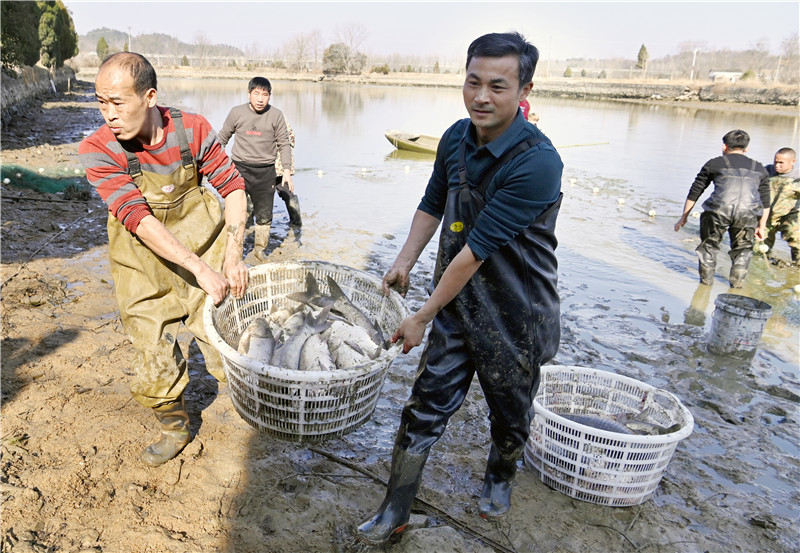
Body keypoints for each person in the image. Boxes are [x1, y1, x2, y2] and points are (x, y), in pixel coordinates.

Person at [357, 32, 563, 544]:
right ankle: (395, 510)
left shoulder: (537, 162)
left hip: (518, 311)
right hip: (457, 302)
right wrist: (404, 261)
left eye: (498, 85)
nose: (481, 97)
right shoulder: (455, 136)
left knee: (510, 411)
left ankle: (500, 476)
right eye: (473, 82)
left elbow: (474, 252)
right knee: (424, 406)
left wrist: (421, 316)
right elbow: (432, 202)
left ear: (524, 90)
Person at [79, 52, 249, 468]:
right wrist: (200, 270)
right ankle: (175, 428)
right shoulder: (98, 149)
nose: (108, 115)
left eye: (118, 103)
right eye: (101, 102)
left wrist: (231, 257)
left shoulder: (192, 129)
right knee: (152, 355)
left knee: (227, 343)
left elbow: (233, 189)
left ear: (150, 96)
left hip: (203, 243)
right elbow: (139, 220)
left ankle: (254, 405)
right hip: (142, 262)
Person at [674, 129, 770, 288]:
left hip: (718, 210)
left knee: (709, 247)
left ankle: (705, 286)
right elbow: (765, 200)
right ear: (746, 149)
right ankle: (736, 287)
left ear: (724, 146)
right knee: (743, 250)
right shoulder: (759, 168)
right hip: (748, 213)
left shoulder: (714, 163)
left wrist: (684, 217)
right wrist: (762, 225)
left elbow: (696, 190)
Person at [218, 77, 298, 261]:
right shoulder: (236, 112)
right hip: (239, 169)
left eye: (265, 95)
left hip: (265, 172)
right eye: (256, 94)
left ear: (269, 96)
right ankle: (234, 250)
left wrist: (287, 171)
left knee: (264, 215)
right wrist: (211, 163)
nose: (260, 99)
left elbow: (284, 144)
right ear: (249, 94)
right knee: (237, 211)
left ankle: (259, 251)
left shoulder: (276, 115)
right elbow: (223, 137)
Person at [762, 147, 799, 264]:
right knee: (759, 251)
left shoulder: (798, 177)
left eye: (781, 163)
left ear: (793, 162)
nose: (777, 165)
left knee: (797, 242)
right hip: (766, 217)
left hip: (789, 216)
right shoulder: (767, 171)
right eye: (775, 162)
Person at [274, 121, 302, 227]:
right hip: (276, 161)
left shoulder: (276, 117)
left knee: (283, 188)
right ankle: (296, 222)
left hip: (278, 161)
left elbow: (290, 139)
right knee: (284, 188)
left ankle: (296, 221)